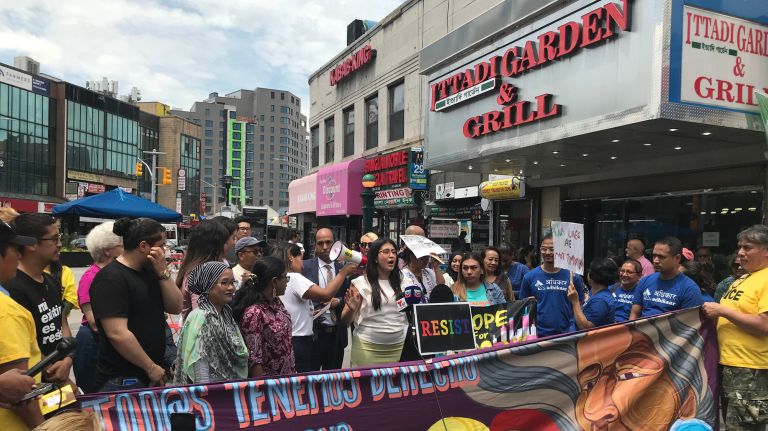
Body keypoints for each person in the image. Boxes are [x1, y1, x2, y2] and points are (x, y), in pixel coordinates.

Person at [90, 217, 183, 392]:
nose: (165, 251)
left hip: (151, 374)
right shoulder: (111, 278)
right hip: (123, 379)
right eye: (162, 245)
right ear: (144, 246)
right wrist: (150, 367)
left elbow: (176, 307)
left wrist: (163, 273)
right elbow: (117, 333)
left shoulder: (151, 270)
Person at [701, 225, 768, 430]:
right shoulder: (744, 278)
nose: (740, 253)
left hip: (751, 370)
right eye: (739, 247)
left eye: (748, 248)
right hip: (730, 365)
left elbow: (764, 324)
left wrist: (722, 311)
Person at [6, 214, 72, 384]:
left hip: (58, 376)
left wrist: (68, 359)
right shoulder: (13, 288)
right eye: (54, 239)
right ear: (31, 244)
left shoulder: (50, 279)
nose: (59, 244)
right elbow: (25, 344)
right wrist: (51, 367)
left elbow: (62, 322)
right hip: (32, 383)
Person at [278, 243, 355, 372]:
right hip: (300, 341)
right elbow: (325, 295)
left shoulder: (283, 279)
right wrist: (343, 272)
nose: (302, 263)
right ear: (291, 257)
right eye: (300, 258)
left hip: (291, 338)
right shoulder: (295, 278)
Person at [174, 262, 248, 384]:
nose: (231, 288)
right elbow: (199, 362)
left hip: (231, 389)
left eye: (232, 282)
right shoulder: (201, 318)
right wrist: (206, 392)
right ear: (208, 286)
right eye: (224, 283)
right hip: (212, 391)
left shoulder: (226, 314)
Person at [0, 221, 42, 429]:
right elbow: (20, 393)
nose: (19, 255)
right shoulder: (7, 312)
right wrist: (42, 426)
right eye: (14, 248)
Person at [73, 222, 123, 394]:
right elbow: (94, 321)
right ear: (107, 250)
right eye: (121, 245)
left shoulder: (116, 273)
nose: (125, 249)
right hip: (93, 343)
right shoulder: (90, 277)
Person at [341, 238, 407, 367]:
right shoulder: (360, 283)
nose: (391, 255)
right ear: (375, 258)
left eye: (394, 252)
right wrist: (352, 309)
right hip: (367, 350)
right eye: (386, 252)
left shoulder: (405, 282)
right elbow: (345, 321)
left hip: (398, 349)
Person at [233, 256, 294, 377]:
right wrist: (263, 386)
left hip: (287, 378)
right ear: (274, 281)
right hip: (269, 383)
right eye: (285, 277)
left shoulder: (277, 303)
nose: (287, 281)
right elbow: (254, 359)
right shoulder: (254, 313)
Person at [302, 228, 351, 371]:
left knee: (334, 379)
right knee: (311, 378)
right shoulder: (305, 267)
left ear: (335, 243)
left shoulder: (344, 270)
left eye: (328, 242)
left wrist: (338, 301)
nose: (324, 247)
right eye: (320, 243)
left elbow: (349, 297)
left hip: (336, 335)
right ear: (315, 245)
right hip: (313, 334)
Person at [519, 234, 585, 337]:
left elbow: (579, 305)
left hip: (566, 335)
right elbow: (523, 307)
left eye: (552, 249)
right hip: (537, 336)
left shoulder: (573, 277)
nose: (547, 253)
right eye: (544, 249)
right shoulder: (529, 277)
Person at [629, 237, 703, 320]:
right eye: (654, 256)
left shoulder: (689, 288)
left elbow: (689, 323)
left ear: (677, 258)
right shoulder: (644, 281)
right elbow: (634, 314)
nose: (656, 261)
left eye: (661, 257)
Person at [177, 219, 231, 320]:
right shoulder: (201, 273)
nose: (231, 244)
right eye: (226, 242)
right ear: (215, 246)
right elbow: (202, 315)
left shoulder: (196, 267)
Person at [568, 258, 617, 329]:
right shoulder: (596, 293)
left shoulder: (600, 300)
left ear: (591, 276)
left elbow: (585, 327)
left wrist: (575, 301)